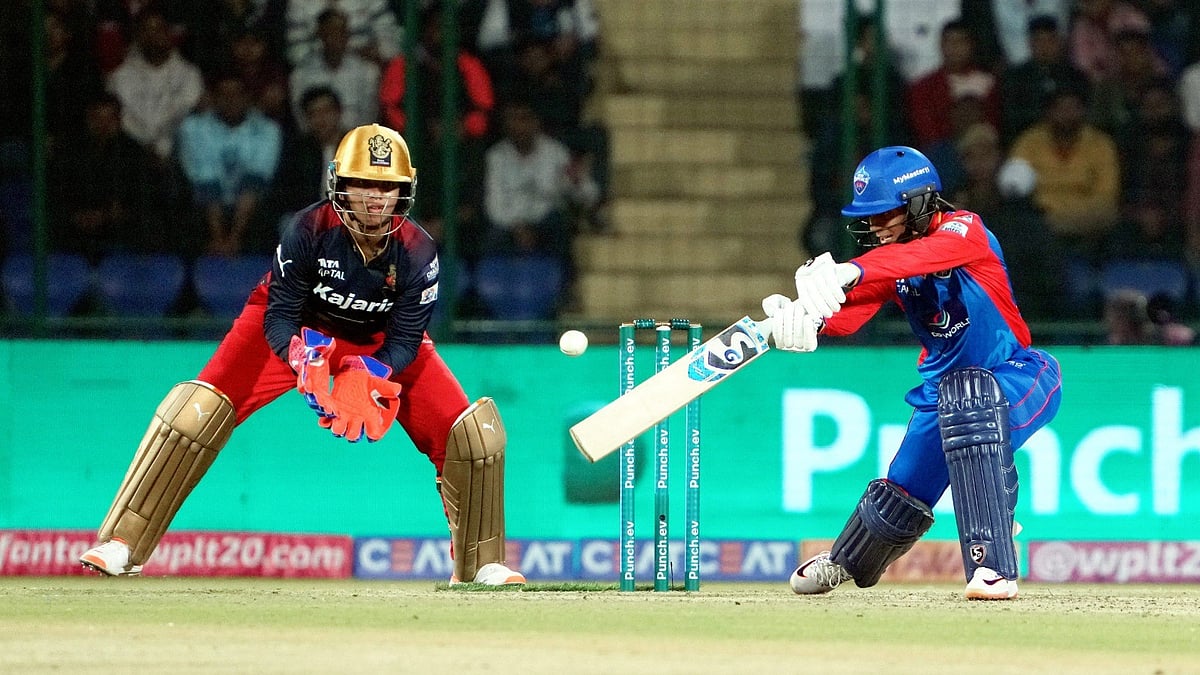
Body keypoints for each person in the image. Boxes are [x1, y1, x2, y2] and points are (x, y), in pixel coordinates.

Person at [79, 123, 526, 587]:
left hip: (379, 337)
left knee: (474, 436)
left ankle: (478, 567)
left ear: (403, 193)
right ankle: (123, 544)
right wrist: (298, 356)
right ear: (340, 186)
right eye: (364, 185)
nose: (376, 199)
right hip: (297, 328)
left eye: (388, 187)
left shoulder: (418, 250)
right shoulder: (308, 229)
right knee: (196, 411)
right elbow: (278, 314)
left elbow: (409, 336)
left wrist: (371, 370)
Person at [763, 146, 1062, 600]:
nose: (876, 227)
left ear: (921, 202)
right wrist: (807, 320)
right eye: (871, 218)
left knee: (971, 395)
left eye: (886, 215)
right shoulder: (894, 260)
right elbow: (852, 310)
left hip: (1017, 376)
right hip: (942, 400)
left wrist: (850, 269)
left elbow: (923, 257)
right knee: (900, 494)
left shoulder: (966, 231)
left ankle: (994, 566)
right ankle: (847, 560)